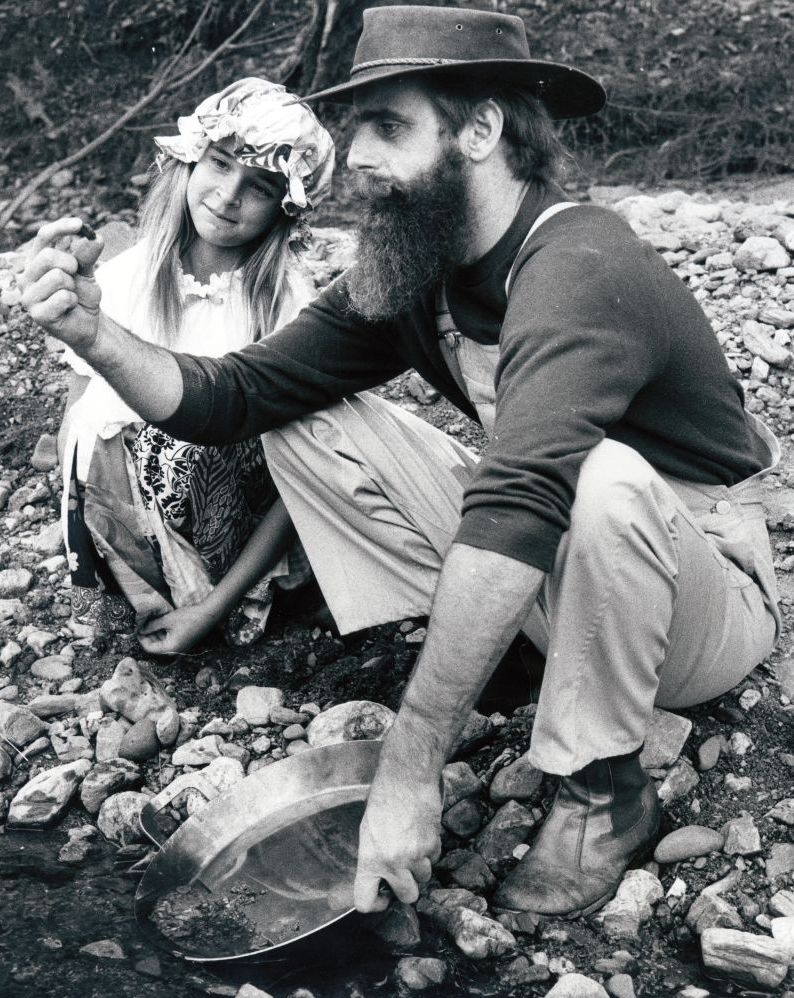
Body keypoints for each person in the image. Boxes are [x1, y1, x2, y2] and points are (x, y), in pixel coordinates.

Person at [22, 5, 780, 921]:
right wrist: (92, 333)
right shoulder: (417, 268)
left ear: (481, 129)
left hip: (700, 593)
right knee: (306, 420)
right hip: (556, 556)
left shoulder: (582, 266)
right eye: (357, 130)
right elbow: (236, 395)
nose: (360, 159)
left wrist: (413, 767)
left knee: (598, 475)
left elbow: (523, 495)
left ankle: (602, 786)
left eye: (388, 128)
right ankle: (507, 652)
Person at [55, 78, 335, 653]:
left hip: (237, 547)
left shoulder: (288, 305)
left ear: (286, 206)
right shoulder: (123, 279)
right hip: (131, 535)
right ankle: (137, 592)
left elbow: (300, 477)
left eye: (258, 186)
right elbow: (76, 436)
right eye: (220, 163)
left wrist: (213, 607)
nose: (228, 196)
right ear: (190, 160)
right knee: (98, 427)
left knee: (191, 438)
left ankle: (216, 606)